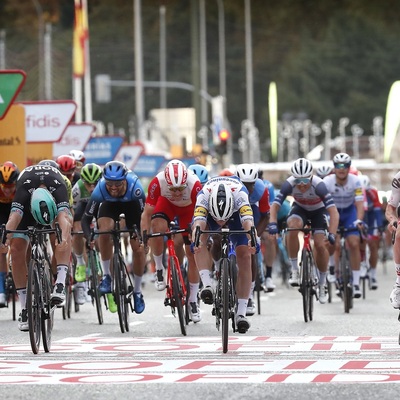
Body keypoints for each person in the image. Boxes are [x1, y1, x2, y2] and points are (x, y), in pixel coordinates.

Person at [0, 163, 72, 331]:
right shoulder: (24, 187)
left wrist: (63, 239)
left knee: (63, 234)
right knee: (17, 250)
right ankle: (25, 307)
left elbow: (64, 218)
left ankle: (60, 282)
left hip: (52, 210)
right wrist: (5, 239)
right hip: (26, 210)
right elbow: (14, 217)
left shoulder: (59, 185)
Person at [191, 176, 257, 333]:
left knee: (245, 255)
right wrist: (197, 241)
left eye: (223, 221)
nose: (222, 224)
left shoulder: (241, 195)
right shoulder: (203, 196)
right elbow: (198, 225)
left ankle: (241, 313)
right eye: (219, 221)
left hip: (235, 216)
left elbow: (249, 223)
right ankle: (207, 285)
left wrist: (252, 241)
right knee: (199, 240)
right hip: (210, 215)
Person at [268, 158, 339, 304]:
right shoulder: (289, 184)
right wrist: (273, 223)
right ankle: (294, 270)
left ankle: (322, 283)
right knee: (292, 226)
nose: (301, 185)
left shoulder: (319, 186)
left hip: (319, 211)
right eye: (298, 181)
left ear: (311, 177)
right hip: (300, 209)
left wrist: (332, 233)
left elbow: (333, 212)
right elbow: (275, 206)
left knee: (320, 244)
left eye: (305, 181)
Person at [81, 161, 146, 315]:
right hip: (109, 206)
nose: (114, 187)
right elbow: (85, 219)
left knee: (138, 247)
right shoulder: (100, 189)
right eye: (110, 183)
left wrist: (144, 236)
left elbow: (145, 217)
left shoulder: (136, 187)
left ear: (125, 180)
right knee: (104, 230)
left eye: (118, 183)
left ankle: (137, 291)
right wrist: (89, 236)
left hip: (132, 207)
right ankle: (107, 276)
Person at [140, 159, 202, 323]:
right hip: (166, 205)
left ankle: (193, 300)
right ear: (166, 182)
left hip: (189, 209)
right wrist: (145, 237)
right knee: (157, 225)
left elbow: (202, 213)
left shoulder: (194, 184)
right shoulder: (157, 182)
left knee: (192, 253)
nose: (176, 193)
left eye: (180, 189)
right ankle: (159, 268)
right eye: (172, 189)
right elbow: (146, 214)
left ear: (185, 182)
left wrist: (197, 234)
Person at [323, 153, 365, 299]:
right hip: (332, 213)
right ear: (334, 168)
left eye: (345, 166)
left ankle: (356, 282)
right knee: (335, 243)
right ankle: (332, 268)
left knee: (354, 243)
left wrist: (359, 220)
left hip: (349, 213)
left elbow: (359, 204)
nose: (341, 169)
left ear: (349, 167)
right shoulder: (327, 181)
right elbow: (322, 204)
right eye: (338, 166)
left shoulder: (356, 181)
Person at [236, 163, 270, 316]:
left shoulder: (261, 190)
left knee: (252, 250)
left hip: (252, 212)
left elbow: (265, 216)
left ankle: (249, 294)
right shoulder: (229, 186)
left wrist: (256, 236)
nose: (248, 189)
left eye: (251, 185)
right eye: (244, 184)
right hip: (233, 210)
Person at [71, 163, 103, 306]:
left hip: (101, 208)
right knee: (77, 230)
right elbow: (70, 210)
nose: (91, 188)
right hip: (83, 209)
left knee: (104, 232)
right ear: (83, 182)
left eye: (95, 184)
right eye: (88, 184)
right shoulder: (77, 189)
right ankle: (81, 263)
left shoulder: (105, 186)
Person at [0, 162, 19, 306]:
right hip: (1, 212)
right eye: (4, 187)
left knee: (18, 242)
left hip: (15, 211)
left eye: (10, 186)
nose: (7, 190)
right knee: (1, 249)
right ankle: (1, 289)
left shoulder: (20, 188)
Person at [359, 175, 382, 289]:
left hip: (372, 220)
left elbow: (378, 210)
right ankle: (362, 261)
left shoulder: (373, 192)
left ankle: (373, 273)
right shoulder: (356, 191)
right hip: (361, 219)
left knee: (373, 246)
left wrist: (380, 225)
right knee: (359, 241)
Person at [385, 171, 400, 308]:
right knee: (399, 233)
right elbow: (390, 209)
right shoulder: (398, 178)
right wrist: (392, 220)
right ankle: (399, 282)